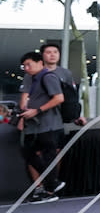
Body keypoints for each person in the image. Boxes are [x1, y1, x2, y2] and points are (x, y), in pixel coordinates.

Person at [16, 50, 65, 203]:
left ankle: (51, 189)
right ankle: (52, 183)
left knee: (46, 155)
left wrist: (37, 110)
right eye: (24, 66)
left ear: (39, 63)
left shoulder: (48, 77)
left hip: (49, 126)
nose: (26, 68)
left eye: (29, 64)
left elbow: (59, 98)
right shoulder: (34, 79)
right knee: (28, 152)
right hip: (37, 126)